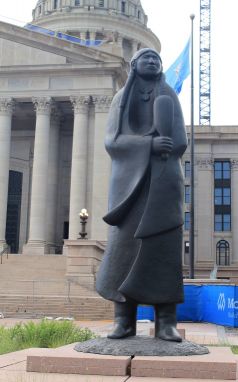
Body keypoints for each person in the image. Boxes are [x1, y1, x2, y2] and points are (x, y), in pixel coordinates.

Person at [96, 48, 188, 342]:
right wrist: (149, 145)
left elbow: (180, 140)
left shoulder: (169, 96)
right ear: (133, 64)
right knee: (124, 249)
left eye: (156, 59)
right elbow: (112, 141)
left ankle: (166, 322)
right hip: (130, 188)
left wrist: (166, 146)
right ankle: (124, 320)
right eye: (146, 58)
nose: (152, 62)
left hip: (163, 182)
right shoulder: (119, 100)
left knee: (164, 251)